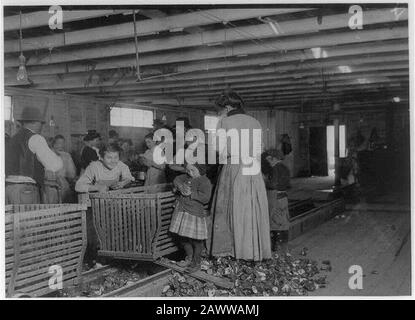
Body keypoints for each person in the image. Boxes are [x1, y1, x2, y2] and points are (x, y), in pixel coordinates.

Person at [207, 90, 272, 261]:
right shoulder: (255, 122)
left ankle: (231, 252)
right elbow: (260, 149)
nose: (219, 113)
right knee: (250, 209)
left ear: (227, 107)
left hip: (233, 168)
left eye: (220, 110)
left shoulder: (224, 121)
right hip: (252, 168)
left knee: (229, 209)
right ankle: (251, 252)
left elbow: (220, 151)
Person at [75, 143, 134, 268]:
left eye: (116, 157)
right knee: (95, 235)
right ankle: (93, 262)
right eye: (109, 157)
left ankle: (107, 260)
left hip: (108, 205)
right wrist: (97, 187)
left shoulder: (121, 165)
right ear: (101, 157)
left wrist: (123, 182)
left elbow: (129, 177)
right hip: (91, 205)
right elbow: (78, 186)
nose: (113, 161)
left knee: (112, 232)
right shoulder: (94, 166)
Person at [5, 106, 63, 204]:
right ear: (34, 122)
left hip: (8, 189)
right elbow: (54, 165)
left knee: (13, 218)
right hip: (26, 190)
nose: (41, 126)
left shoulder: (12, 139)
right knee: (27, 218)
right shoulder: (36, 138)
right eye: (41, 123)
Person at [169, 162, 212, 272]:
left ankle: (196, 262)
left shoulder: (204, 181)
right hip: (182, 211)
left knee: (196, 240)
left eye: (192, 170)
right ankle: (189, 257)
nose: (189, 172)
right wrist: (180, 186)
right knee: (182, 237)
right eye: (188, 170)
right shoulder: (186, 176)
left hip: (194, 213)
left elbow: (206, 198)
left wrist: (191, 194)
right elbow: (177, 179)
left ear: (201, 170)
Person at [263, 149, 291, 249]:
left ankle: (276, 246)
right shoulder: (285, 167)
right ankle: (283, 244)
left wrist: (265, 181)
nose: (268, 163)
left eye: (269, 160)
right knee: (283, 221)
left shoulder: (275, 169)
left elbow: (273, 184)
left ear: (274, 158)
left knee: (275, 222)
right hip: (283, 197)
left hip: (275, 198)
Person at [50, 135, 77, 203]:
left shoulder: (46, 153)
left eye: (62, 143)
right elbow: (71, 174)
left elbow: (72, 174)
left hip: (50, 185)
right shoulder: (66, 155)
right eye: (59, 143)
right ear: (54, 143)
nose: (61, 145)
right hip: (61, 185)